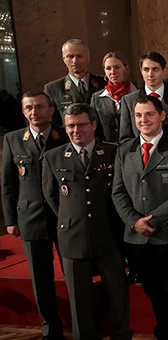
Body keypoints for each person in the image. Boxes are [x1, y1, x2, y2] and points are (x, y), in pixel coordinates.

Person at [40, 103, 133, 340]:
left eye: (81, 124)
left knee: (118, 299)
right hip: (73, 238)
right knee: (79, 303)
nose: (76, 130)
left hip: (109, 235)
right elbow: (52, 197)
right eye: (70, 125)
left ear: (93, 124)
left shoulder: (113, 152)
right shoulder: (53, 157)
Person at [112, 95, 168, 340]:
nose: (143, 120)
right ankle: (163, 333)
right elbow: (118, 191)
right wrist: (134, 222)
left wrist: (154, 220)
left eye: (149, 114)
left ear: (161, 115)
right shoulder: (125, 150)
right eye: (138, 115)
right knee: (153, 291)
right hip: (137, 238)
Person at [1, 91, 68, 340]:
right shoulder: (13, 139)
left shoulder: (65, 135)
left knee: (72, 275)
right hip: (30, 218)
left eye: (39, 107)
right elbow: (8, 183)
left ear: (51, 109)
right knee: (41, 279)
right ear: (23, 111)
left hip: (64, 217)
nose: (34, 112)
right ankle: (51, 329)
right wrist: (10, 220)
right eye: (28, 108)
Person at [119, 51, 168, 142]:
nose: (150, 74)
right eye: (146, 69)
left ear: (164, 71)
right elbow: (125, 138)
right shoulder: (129, 100)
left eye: (155, 69)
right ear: (141, 71)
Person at [44, 39, 107, 126]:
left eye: (79, 56)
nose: (75, 61)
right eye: (70, 56)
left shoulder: (104, 84)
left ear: (88, 58)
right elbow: (53, 124)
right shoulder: (53, 89)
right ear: (64, 59)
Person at [89, 52, 136, 142]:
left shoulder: (138, 94)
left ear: (126, 69)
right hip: (107, 150)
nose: (113, 72)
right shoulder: (97, 98)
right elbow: (94, 130)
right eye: (108, 68)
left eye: (117, 67)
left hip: (133, 150)